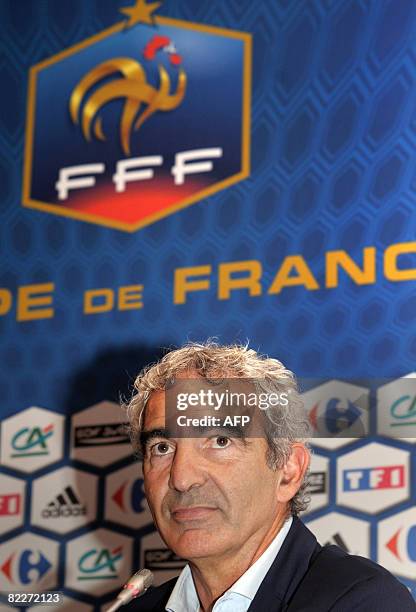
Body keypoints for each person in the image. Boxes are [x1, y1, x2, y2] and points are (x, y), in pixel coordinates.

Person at [123, 341, 415, 611]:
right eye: (162, 447)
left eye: (220, 441)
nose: (182, 478)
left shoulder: (362, 602)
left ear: (288, 470)